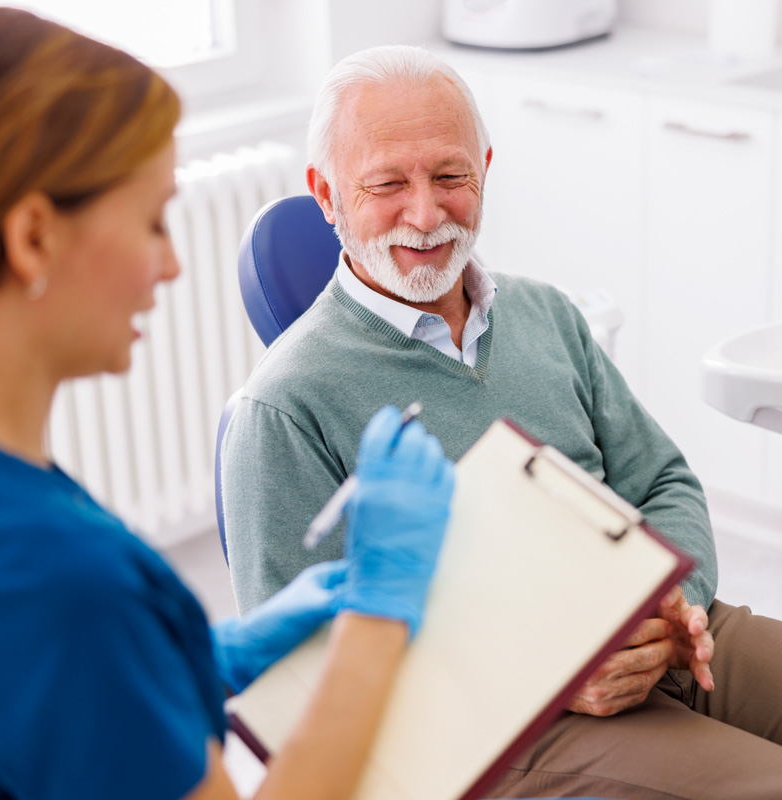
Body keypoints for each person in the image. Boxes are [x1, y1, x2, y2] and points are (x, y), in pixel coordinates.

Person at [221, 44, 782, 798]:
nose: (426, 214)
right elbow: (304, 690)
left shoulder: (546, 314)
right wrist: (545, 670)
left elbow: (663, 478)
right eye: (388, 184)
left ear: (484, 167)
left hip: (660, 634)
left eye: (451, 176)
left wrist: (669, 604)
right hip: (512, 723)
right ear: (327, 196)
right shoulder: (282, 408)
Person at [0, 10, 456, 800]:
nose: (171, 265)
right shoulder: (61, 582)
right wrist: (380, 609)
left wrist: (197, 655)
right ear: (34, 236)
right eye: (152, 221)